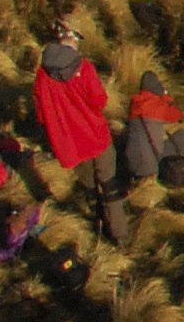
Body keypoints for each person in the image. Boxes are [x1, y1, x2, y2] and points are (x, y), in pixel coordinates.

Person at [33, 25, 129, 245]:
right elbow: (99, 101)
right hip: (96, 136)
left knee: (89, 186)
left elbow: (41, 115)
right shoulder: (84, 67)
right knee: (109, 186)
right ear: (73, 40)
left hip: (71, 143)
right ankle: (120, 237)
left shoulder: (42, 75)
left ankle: (97, 225)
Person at [122, 71, 184, 187]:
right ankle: (176, 169)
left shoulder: (135, 103)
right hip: (149, 163)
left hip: (132, 157)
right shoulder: (158, 105)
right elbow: (178, 115)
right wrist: (166, 95)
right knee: (182, 136)